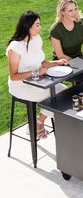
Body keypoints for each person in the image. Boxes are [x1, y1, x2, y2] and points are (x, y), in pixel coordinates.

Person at [6, 11, 68, 139]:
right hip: (21, 85)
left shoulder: (36, 39)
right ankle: (51, 128)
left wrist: (57, 62)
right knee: (56, 97)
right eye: (37, 25)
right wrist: (35, 72)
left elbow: (42, 63)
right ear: (28, 26)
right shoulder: (15, 48)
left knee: (65, 92)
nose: (40, 27)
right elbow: (14, 76)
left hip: (38, 80)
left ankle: (39, 122)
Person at [49, 0, 83, 84]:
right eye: (70, 10)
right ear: (62, 12)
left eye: (75, 9)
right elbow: (60, 55)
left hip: (79, 57)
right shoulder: (55, 30)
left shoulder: (82, 23)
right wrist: (82, 65)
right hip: (63, 62)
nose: (75, 13)